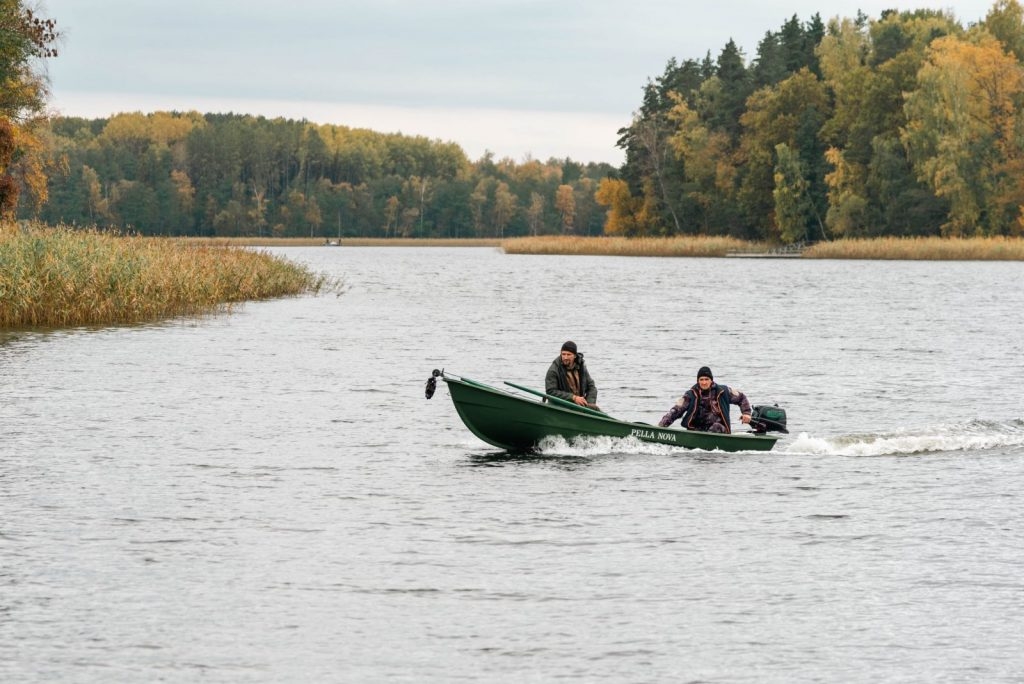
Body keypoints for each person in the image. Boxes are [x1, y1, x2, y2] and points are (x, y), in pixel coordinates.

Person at [658, 366, 751, 433]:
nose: (704, 382)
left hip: (719, 430)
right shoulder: (690, 394)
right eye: (701, 379)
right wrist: (660, 427)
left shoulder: (723, 391)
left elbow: (741, 398)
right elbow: (676, 410)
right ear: (698, 381)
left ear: (711, 380)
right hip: (697, 430)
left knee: (716, 427)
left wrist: (746, 413)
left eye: (706, 379)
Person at [545, 341, 598, 408]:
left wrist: (588, 404)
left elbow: (591, 387)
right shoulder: (554, 370)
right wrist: (573, 397)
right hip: (561, 406)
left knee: (596, 409)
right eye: (563, 354)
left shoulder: (581, 367)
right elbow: (551, 391)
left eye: (568, 354)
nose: (565, 357)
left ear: (575, 356)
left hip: (579, 406)